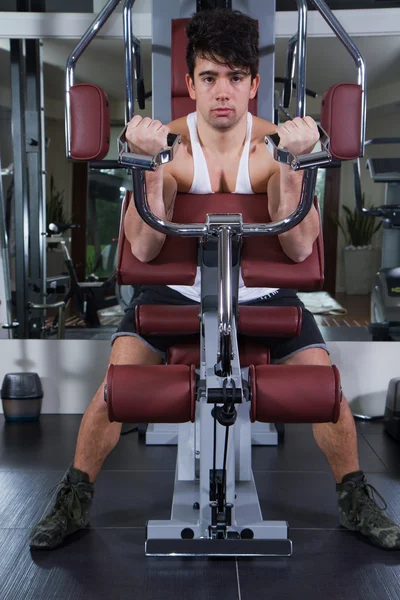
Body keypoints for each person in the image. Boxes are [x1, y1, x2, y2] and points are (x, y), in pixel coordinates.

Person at [29, 8, 400, 551]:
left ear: (253, 83)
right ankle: (74, 497)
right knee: (115, 390)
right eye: (208, 77)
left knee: (327, 390)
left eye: (234, 77)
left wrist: (296, 168)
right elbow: (147, 247)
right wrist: (148, 170)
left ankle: (354, 499)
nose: (221, 91)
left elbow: (298, 247)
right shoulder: (172, 146)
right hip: (173, 292)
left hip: (263, 294)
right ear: (189, 84)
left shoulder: (274, 146)